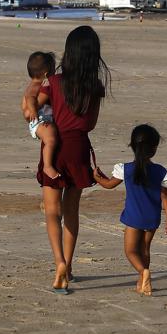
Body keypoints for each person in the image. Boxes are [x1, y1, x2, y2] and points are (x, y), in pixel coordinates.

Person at [34, 26, 110, 294]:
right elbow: (91, 123)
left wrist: (43, 123)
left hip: (53, 147)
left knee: (52, 212)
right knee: (71, 212)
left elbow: (37, 109)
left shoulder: (53, 83)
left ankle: (59, 263)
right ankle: (69, 265)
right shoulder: (95, 87)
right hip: (78, 148)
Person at [93, 124, 167, 296]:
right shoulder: (160, 171)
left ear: (132, 146)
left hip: (133, 218)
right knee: (145, 249)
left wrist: (97, 177)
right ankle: (143, 284)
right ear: (154, 149)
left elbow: (108, 185)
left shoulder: (126, 169)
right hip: (152, 218)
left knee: (130, 251)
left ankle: (143, 273)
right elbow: (165, 196)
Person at [22, 51, 60, 181]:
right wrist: (33, 111)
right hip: (39, 120)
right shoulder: (35, 85)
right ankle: (47, 166)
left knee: (53, 137)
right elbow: (30, 98)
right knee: (50, 140)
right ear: (46, 73)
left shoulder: (39, 84)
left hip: (44, 119)